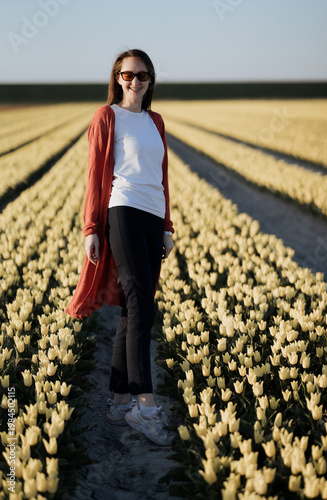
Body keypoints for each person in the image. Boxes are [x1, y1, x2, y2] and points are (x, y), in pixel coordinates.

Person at [65, 49, 175, 446]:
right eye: (128, 75)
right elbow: (96, 172)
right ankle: (145, 408)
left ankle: (118, 401)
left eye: (143, 75)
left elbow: (161, 174)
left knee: (133, 310)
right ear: (117, 77)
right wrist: (91, 227)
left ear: (151, 80)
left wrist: (167, 226)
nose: (136, 81)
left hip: (151, 216)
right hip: (122, 211)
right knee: (142, 303)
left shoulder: (155, 121)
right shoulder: (107, 117)